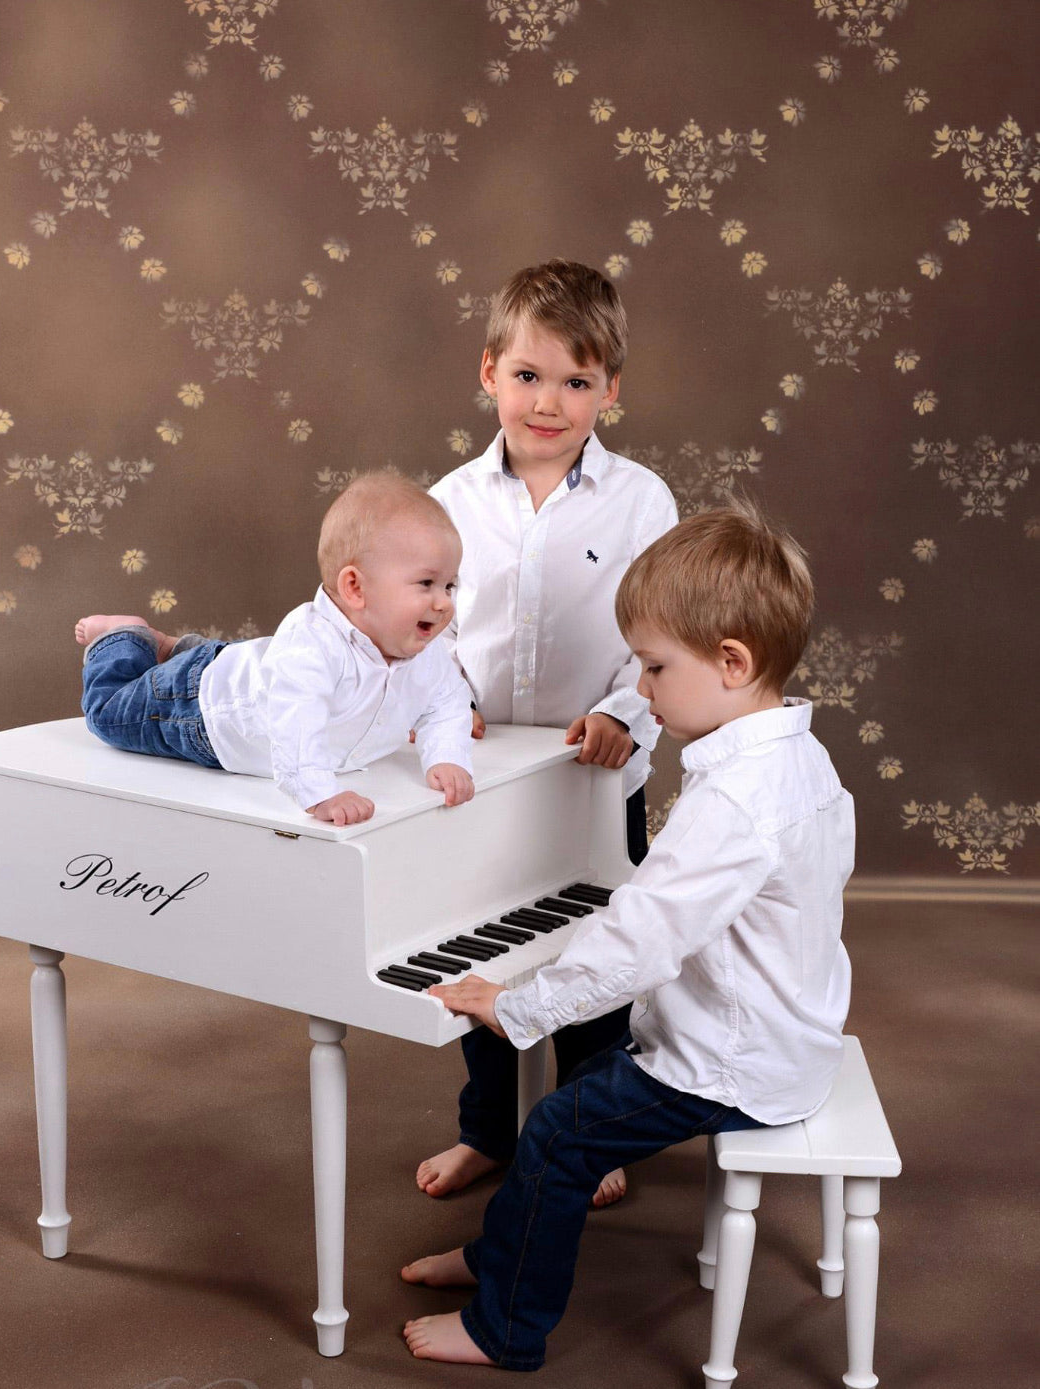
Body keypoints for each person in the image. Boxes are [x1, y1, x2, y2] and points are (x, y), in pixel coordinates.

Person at [400, 502, 855, 1370]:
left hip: (736, 1058)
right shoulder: (796, 755)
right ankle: (502, 1251)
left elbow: (641, 940)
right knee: (581, 1100)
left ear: (731, 662)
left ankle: (507, 1326)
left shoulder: (731, 800)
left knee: (559, 1132)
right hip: (778, 1026)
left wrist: (517, 1004)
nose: (640, 690)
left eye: (652, 666)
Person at [420, 258, 678, 1207]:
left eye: (576, 381)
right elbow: (425, 632)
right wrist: (446, 704)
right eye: (528, 376)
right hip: (483, 775)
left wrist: (621, 711)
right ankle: (490, 1129)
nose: (549, 401)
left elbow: (661, 638)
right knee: (475, 954)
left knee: (594, 963)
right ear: (487, 371)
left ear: (609, 389)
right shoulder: (448, 501)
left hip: (591, 773)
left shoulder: (641, 501)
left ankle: (587, 1130)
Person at [75, 472, 475, 825]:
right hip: (202, 712)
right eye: (426, 584)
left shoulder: (428, 653)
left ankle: (174, 648)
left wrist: (446, 756)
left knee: (232, 663)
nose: (443, 603)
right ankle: (125, 637)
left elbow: (447, 703)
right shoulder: (313, 644)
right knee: (109, 715)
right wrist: (319, 794)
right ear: (356, 588)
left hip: (242, 666)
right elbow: (296, 725)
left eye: (449, 586)